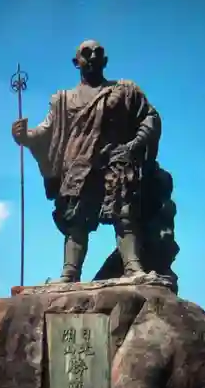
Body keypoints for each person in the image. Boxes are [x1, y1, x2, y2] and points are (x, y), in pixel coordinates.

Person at [12, 39, 162, 283]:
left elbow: (149, 118)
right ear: (76, 62)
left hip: (116, 161)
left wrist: (134, 145)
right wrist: (25, 137)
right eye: (86, 52)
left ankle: (133, 267)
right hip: (79, 167)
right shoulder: (64, 99)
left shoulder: (124, 90)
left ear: (105, 60)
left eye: (98, 52)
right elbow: (46, 130)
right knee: (76, 222)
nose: (92, 56)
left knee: (124, 214)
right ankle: (70, 272)